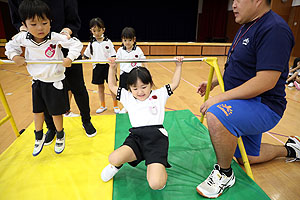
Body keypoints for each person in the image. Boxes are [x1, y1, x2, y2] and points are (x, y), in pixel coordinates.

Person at [195, 0, 298, 198]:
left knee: (216, 115)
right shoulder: (246, 26)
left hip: (264, 105)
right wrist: (214, 83)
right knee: (246, 157)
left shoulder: (274, 29)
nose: (233, 5)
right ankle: (291, 150)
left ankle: (225, 174)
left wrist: (220, 98)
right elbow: (238, 68)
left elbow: (266, 81)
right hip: (245, 102)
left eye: (238, 0)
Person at [8, 0, 97, 140]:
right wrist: (18, 46)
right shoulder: (25, 30)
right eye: (33, 23)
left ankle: (86, 120)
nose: (40, 26)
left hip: (62, 41)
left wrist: (65, 35)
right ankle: (51, 128)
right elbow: (16, 22)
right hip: (37, 47)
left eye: (43, 23)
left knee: (77, 87)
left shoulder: (57, 35)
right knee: (44, 90)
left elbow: (73, 22)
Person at [100, 57, 183, 190]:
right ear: (130, 88)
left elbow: (175, 83)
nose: (140, 92)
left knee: (156, 184)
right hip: (136, 139)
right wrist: (112, 67)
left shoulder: (159, 94)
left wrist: (178, 65)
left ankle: (158, 169)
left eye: (144, 87)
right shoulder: (127, 97)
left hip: (156, 140)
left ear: (150, 84)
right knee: (114, 158)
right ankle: (117, 166)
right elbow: (111, 85)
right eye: (135, 88)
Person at [83, 17, 120, 114]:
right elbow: (86, 56)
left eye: (99, 30)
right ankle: (103, 105)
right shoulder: (91, 43)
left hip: (108, 67)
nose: (97, 33)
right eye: (94, 31)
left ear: (103, 30)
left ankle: (115, 105)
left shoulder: (108, 42)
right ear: (91, 30)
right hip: (97, 67)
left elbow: (113, 55)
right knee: (100, 87)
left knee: (112, 86)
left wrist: (114, 66)